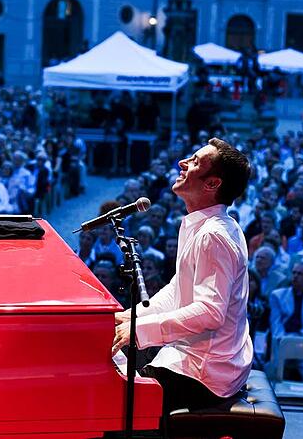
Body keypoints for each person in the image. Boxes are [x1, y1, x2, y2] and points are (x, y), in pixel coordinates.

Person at [112, 137, 253, 420]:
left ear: (212, 184)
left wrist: (141, 331)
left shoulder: (214, 235)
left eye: (195, 162)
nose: (182, 162)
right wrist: (132, 317)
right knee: (119, 354)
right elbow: (179, 289)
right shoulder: (205, 224)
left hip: (207, 373)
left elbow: (210, 313)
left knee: (115, 402)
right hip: (207, 359)